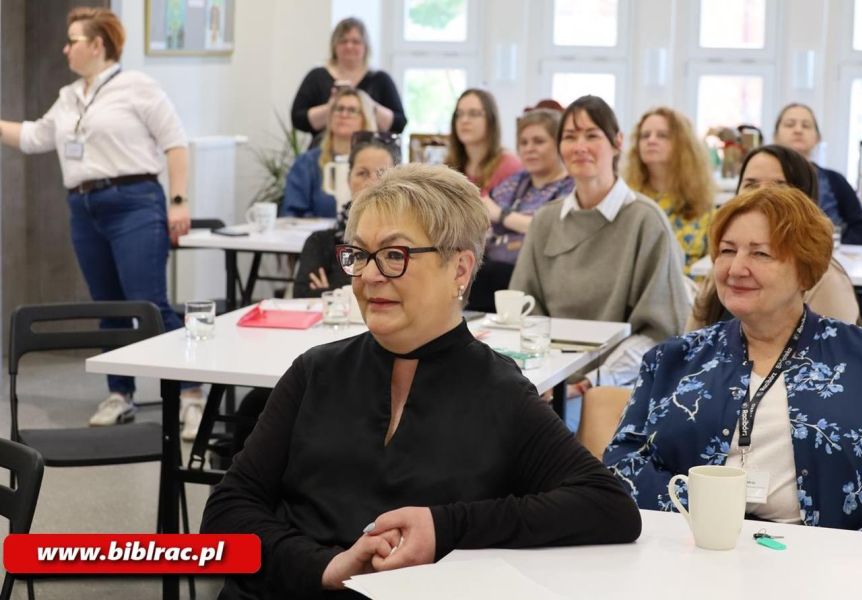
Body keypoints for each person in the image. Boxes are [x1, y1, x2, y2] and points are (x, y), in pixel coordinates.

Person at [200, 164, 642, 598]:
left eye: (396, 255)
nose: (370, 275)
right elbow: (226, 512)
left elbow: (609, 506)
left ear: (461, 271)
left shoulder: (500, 394)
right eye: (360, 255)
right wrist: (326, 567)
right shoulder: (314, 372)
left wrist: (444, 526)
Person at [604, 186, 862, 534]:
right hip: (697, 548)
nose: (736, 268)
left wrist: (861, 556)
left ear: (805, 271)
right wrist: (706, 512)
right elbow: (620, 463)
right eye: (727, 251)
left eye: (761, 254)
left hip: (829, 564)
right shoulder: (674, 359)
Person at [0, 6, 204, 433]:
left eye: (73, 40)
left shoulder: (136, 87)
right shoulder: (70, 95)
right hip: (84, 208)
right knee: (108, 306)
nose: (65, 48)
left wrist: (180, 200)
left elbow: (175, 141)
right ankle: (121, 393)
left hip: (134, 202)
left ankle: (190, 394)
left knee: (148, 303)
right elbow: (37, 136)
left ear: (97, 45)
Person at [509, 95, 690, 388]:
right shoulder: (544, 220)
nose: (580, 147)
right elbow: (524, 310)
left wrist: (592, 383)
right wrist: (544, 378)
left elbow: (660, 334)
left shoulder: (646, 221)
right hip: (547, 383)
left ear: (617, 142)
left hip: (620, 388)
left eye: (592, 135)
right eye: (569, 137)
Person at [689, 144, 860, 329]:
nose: (762, 194)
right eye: (750, 185)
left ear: (806, 198)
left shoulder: (825, 279)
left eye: (779, 186)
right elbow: (689, 349)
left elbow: (837, 351)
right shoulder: (726, 266)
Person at [468, 108, 573, 312]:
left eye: (538, 141)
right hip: (491, 267)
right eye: (523, 143)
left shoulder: (570, 186)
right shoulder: (517, 181)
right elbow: (483, 214)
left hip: (533, 273)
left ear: (559, 144)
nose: (529, 148)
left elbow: (548, 227)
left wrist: (503, 215)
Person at [293, 133, 401, 297]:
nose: (371, 182)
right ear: (348, 179)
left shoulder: (406, 243)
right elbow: (302, 298)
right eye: (362, 173)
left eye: (382, 174)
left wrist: (331, 294)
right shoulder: (319, 243)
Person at [623, 107, 715, 276]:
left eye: (662, 135)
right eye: (645, 135)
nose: (651, 140)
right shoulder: (627, 200)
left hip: (693, 296)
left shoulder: (703, 203)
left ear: (682, 144)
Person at [773, 103, 862, 246]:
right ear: (775, 136)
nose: (798, 130)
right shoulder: (763, 179)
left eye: (806, 125)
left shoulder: (835, 180)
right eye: (790, 124)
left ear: (817, 138)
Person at [290, 17, 406, 138]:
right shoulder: (316, 77)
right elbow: (298, 119)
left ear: (365, 47)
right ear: (334, 46)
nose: (349, 46)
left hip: (370, 152)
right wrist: (332, 106)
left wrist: (367, 104)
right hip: (323, 151)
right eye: (343, 41)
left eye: (356, 41)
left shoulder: (380, 79)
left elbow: (399, 124)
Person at [282, 88, 376, 218]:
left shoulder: (376, 165)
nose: (344, 114)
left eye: (352, 110)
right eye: (339, 108)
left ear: (365, 119)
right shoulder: (306, 163)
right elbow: (291, 214)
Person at [445, 89, 522, 197]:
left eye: (474, 114)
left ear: (491, 120)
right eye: (459, 114)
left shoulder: (511, 166)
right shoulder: (449, 165)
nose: (464, 120)